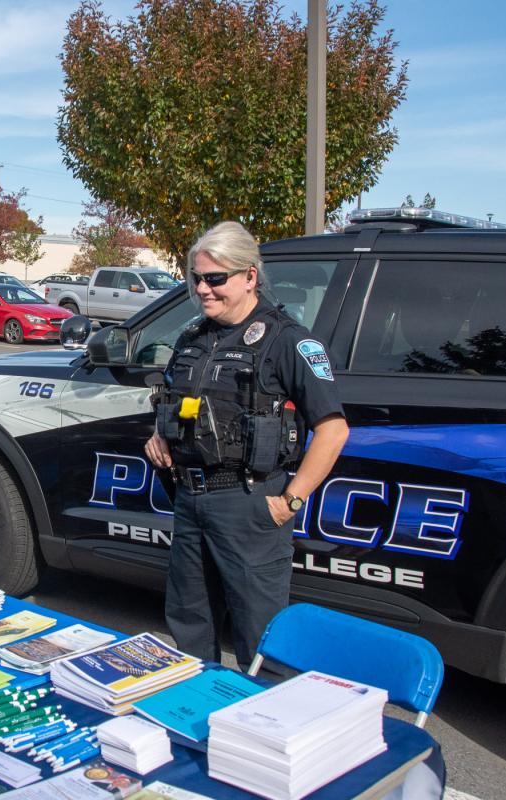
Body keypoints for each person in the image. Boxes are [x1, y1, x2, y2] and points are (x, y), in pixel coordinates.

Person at [144, 221, 349, 668]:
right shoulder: (193, 338)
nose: (203, 289)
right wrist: (161, 435)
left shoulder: (288, 341)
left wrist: (290, 502)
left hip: (250, 502)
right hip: (191, 499)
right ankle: (196, 717)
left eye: (216, 279)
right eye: (196, 278)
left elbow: (333, 430)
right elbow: (187, 405)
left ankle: (261, 730)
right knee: (188, 621)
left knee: (260, 639)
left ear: (250, 276)